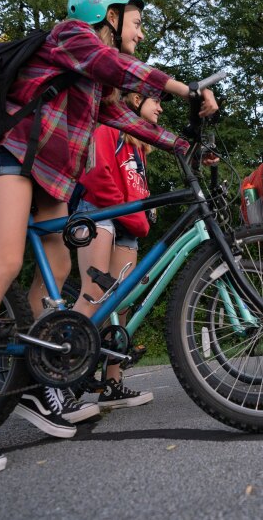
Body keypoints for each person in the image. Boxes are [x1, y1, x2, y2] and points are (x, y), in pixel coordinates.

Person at [0, 0, 217, 479]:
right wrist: (187, 88)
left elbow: (125, 116)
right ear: (108, 13)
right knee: (4, 261)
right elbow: (117, 68)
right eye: (138, 22)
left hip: (52, 176)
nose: (141, 33)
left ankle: (36, 380)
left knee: (58, 271)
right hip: (14, 157)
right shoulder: (71, 37)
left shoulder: (92, 77)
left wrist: (182, 146)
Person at [70, 90, 166, 410]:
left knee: (120, 305)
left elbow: (137, 188)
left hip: (126, 224)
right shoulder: (107, 127)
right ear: (135, 99)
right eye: (156, 100)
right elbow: (97, 177)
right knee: (94, 294)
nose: (161, 108)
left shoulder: (140, 148)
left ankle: (112, 384)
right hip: (98, 211)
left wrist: (141, 213)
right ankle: (61, 378)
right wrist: (132, 212)